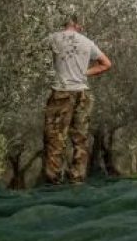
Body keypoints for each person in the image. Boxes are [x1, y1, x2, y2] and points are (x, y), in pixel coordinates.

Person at [43, 17, 112, 185]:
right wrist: (83, 73)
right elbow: (106, 64)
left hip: (61, 93)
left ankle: (53, 183)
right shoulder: (87, 42)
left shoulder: (53, 38)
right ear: (76, 24)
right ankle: (77, 181)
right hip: (82, 94)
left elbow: (30, 53)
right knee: (80, 140)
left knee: (55, 139)